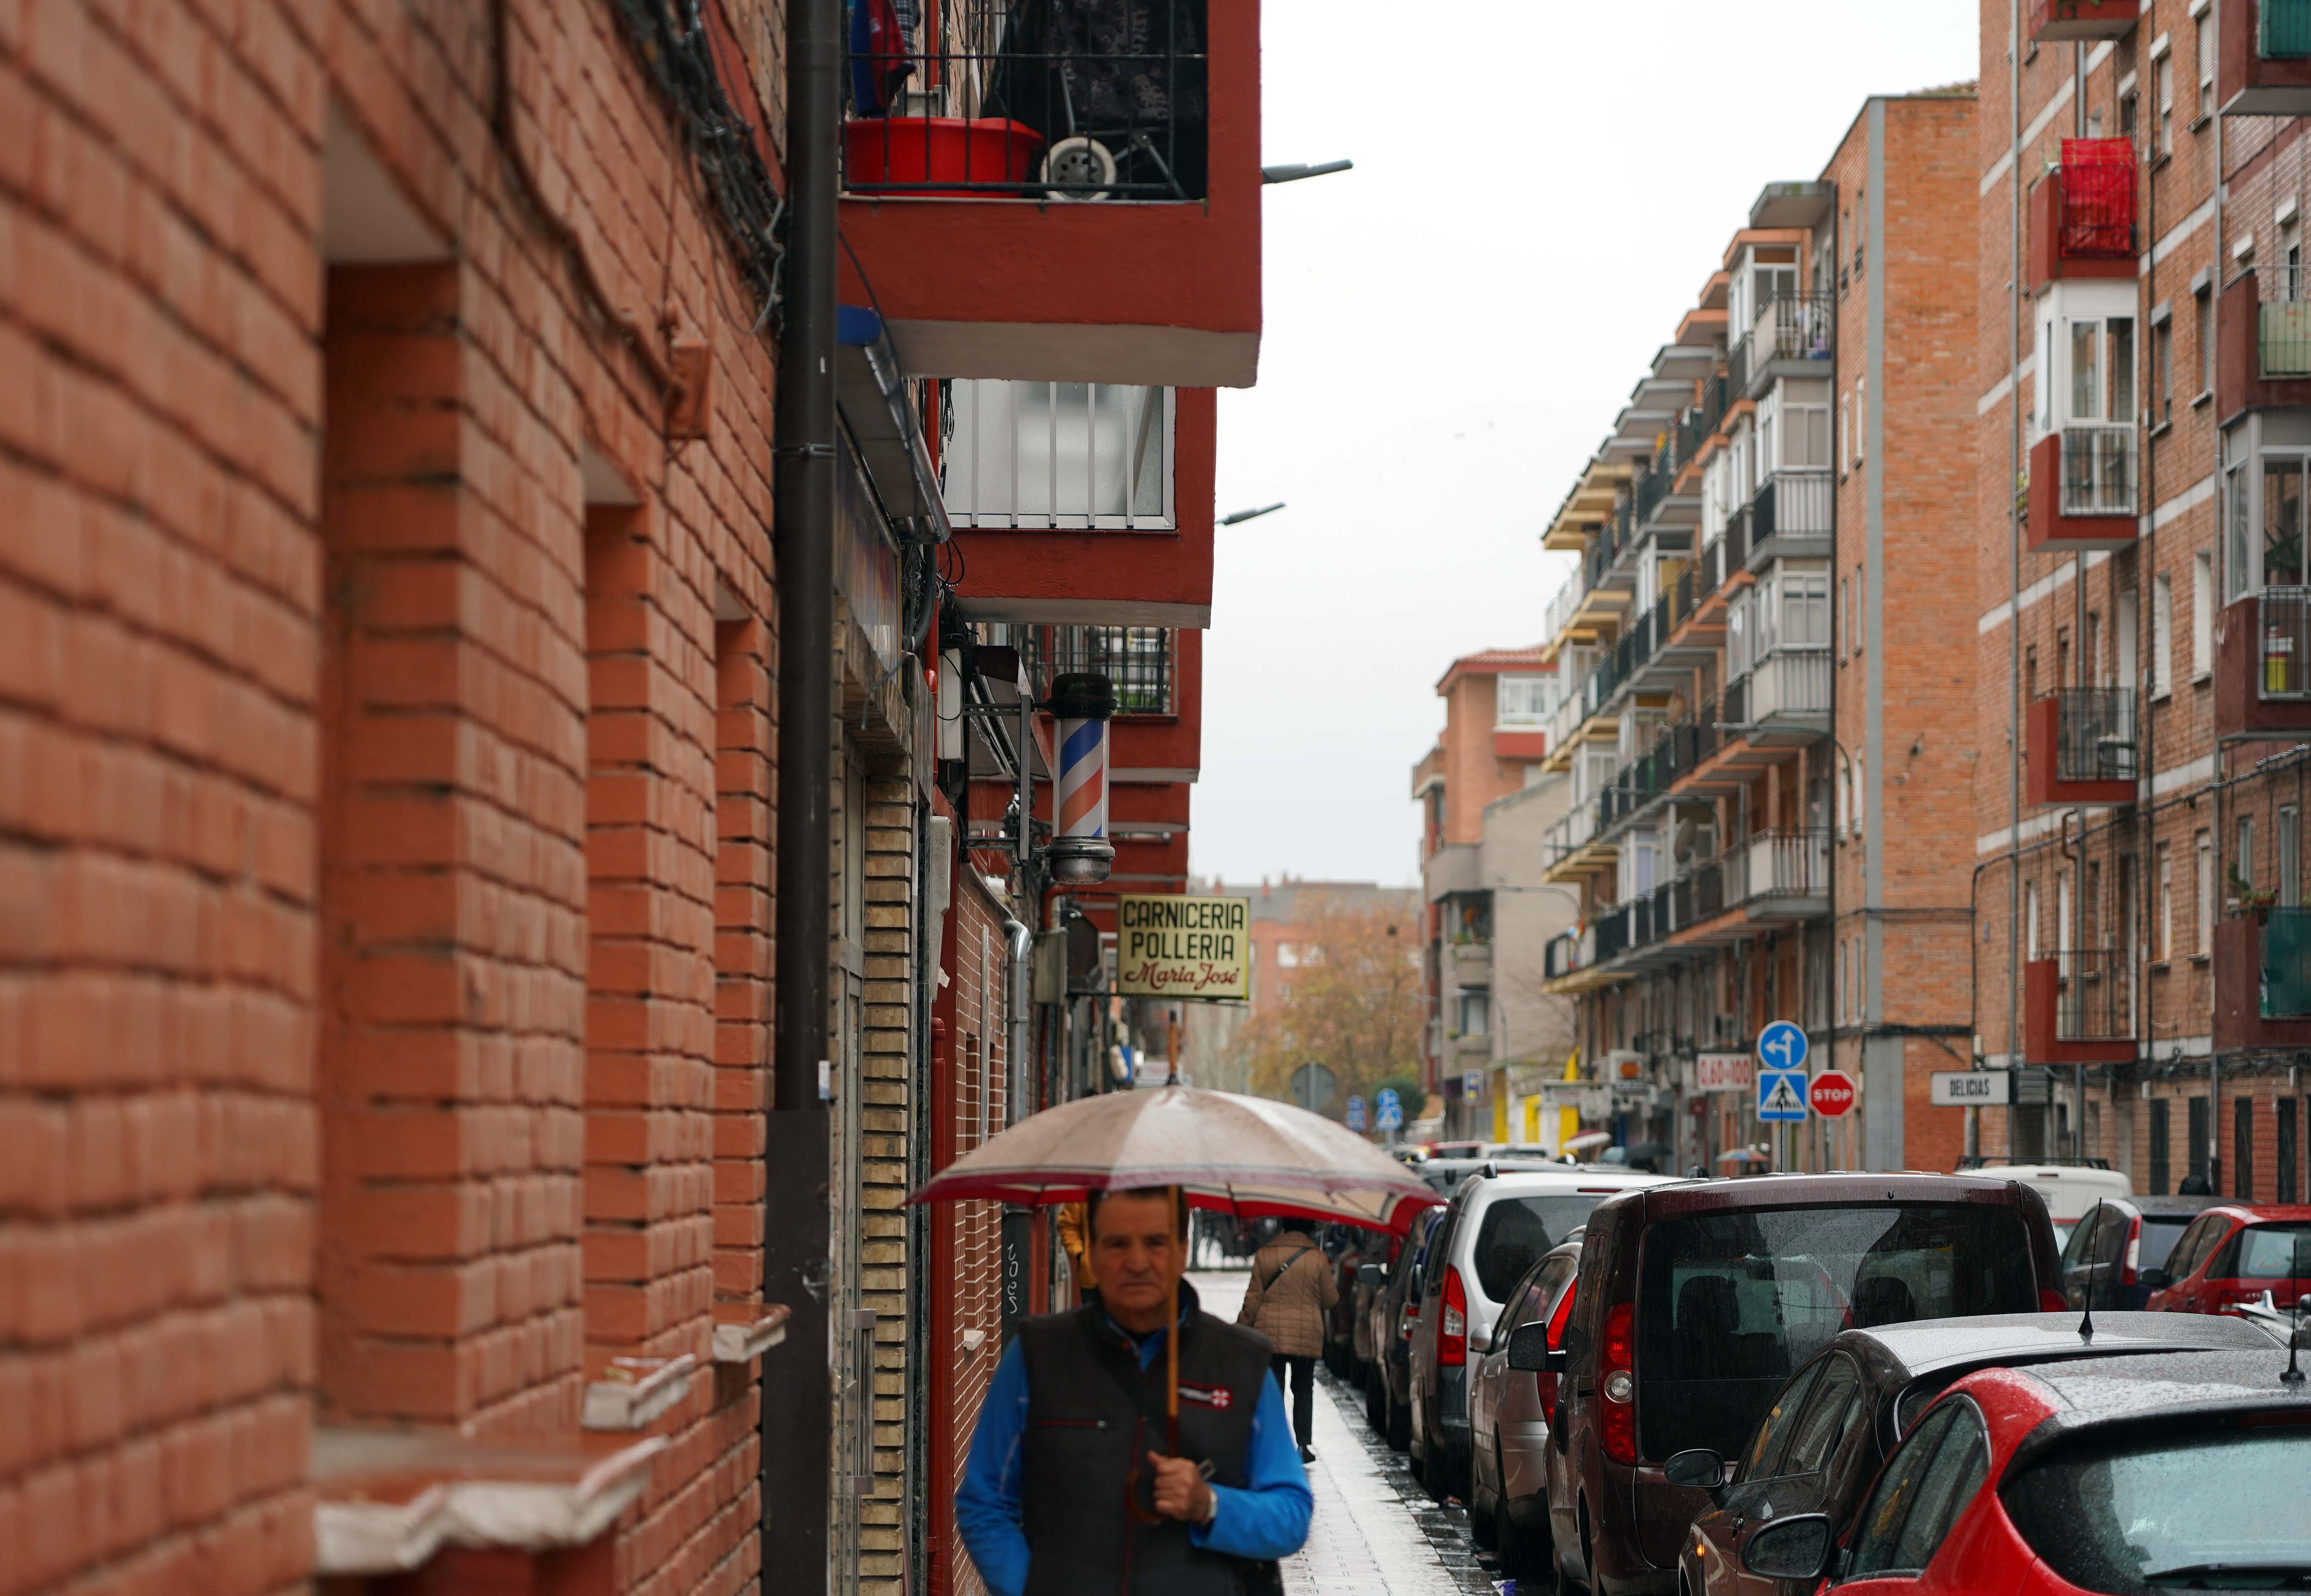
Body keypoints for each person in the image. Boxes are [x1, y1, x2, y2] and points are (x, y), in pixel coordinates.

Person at [955, 1187, 1313, 1596]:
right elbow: (985, 1503)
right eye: (1117, 1243)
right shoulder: (1038, 1356)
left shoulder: (1241, 1364)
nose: (1137, 1262)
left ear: (1182, 1249)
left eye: (1156, 1242)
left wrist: (1209, 1504)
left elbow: (1291, 1512)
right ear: (1090, 1251)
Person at [1235, 1216, 1336, 1462]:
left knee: (1274, 1389)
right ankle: (1303, 1445)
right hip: (1306, 1335)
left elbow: (1253, 1300)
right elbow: (1331, 1300)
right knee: (1303, 1389)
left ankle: (1275, 1443)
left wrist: (1240, 1328)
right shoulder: (1318, 1258)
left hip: (1271, 1335)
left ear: (1283, 1227)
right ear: (1310, 1229)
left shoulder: (1266, 1254)